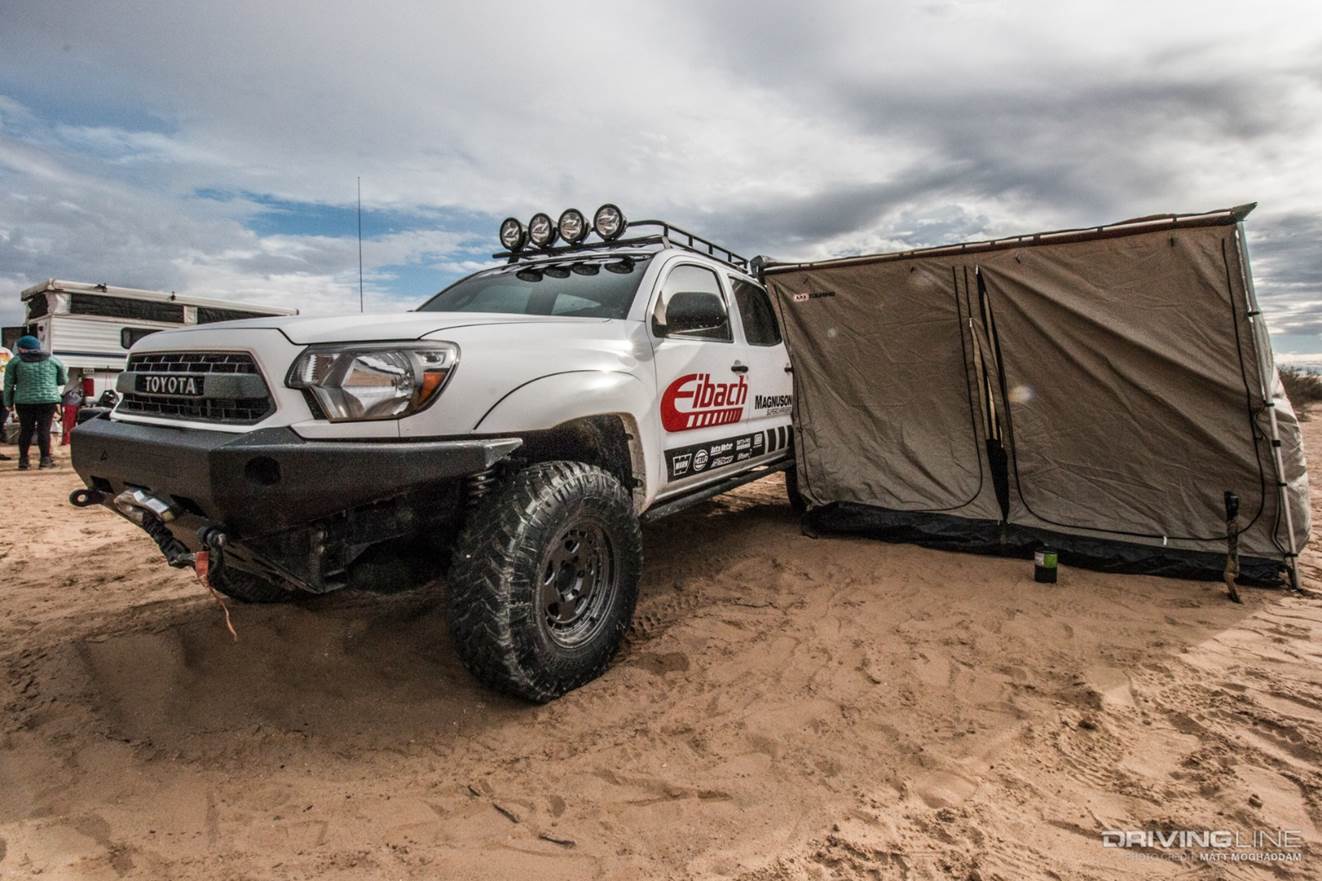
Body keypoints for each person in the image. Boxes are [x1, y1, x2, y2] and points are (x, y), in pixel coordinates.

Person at [2, 335, 67, 470]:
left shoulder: (15, 362)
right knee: (44, 430)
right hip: (47, 400)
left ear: (22, 348)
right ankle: (45, 460)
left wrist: (7, 402)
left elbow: (8, 384)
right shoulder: (52, 359)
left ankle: (23, 461)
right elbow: (63, 380)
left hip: (24, 401)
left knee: (26, 430)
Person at [60, 377, 84, 445]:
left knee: (67, 424)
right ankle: (69, 440)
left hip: (69, 401)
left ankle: (67, 440)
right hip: (74, 401)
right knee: (71, 423)